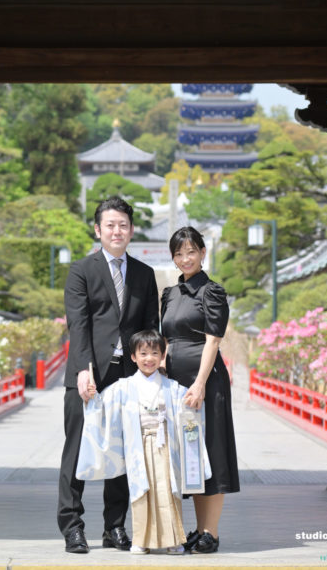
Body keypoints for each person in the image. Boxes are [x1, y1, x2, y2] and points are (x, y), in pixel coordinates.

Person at [57, 196, 159, 554]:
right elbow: (78, 323)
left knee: (123, 454)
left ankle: (114, 527)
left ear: (131, 231)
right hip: (88, 374)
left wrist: (151, 372)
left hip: (128, 375)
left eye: (123, 225)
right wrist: (84, 369)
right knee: (77, 451)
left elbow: (150, 330)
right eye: (110, 225)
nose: (117, 231)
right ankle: (72, 526)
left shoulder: (146, 275)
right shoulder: (81, 270)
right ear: (98, 230)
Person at [76, 329, 210, 555]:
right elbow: (103, 407)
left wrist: (195, 399)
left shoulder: (172, 387)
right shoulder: (123, 387)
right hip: (139, 447)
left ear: (162, 356)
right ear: (133, 357)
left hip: (165, 445)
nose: (149, 359)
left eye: (154, 353)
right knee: (141, 492)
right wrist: (93, 397)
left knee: (169, 490)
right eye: (143, 353)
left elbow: (188, 404)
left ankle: (173, 540)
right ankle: (142, 539)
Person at [161, 226, 240, 554]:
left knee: (212, 451)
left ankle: (213, 532)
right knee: (190, 456)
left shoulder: (212, 292)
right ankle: (197, 529)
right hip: (176, 382)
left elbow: (213, 340)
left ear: (203, 252)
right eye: (178, 254)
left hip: (205, 383)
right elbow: (165, 340)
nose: (184, 259)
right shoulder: (169, 294)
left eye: (190, 251)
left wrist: (200, 383)